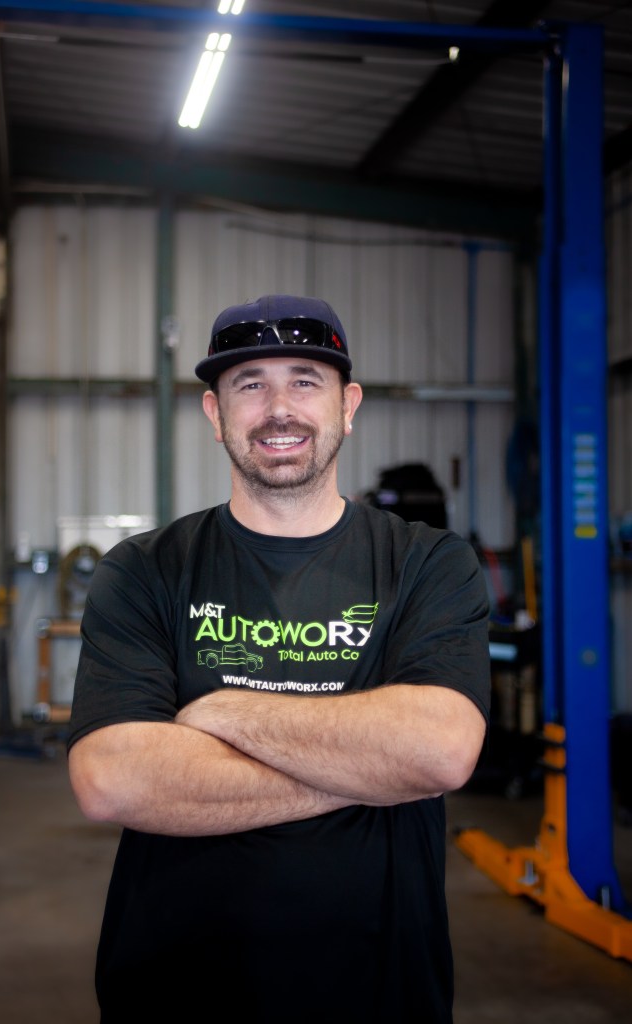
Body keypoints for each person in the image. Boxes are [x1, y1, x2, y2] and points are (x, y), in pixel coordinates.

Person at [67, 294, 490, 1023]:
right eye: (249, 384)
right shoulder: (144, 570)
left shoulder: (427, 564)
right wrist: (371, 772)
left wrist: (222, 714)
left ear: (347, 405)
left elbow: (440, 751)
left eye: (304, 379)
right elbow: (111, 780)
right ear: (215, 413)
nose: (278, 408)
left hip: (379, 990)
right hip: (174, 990)